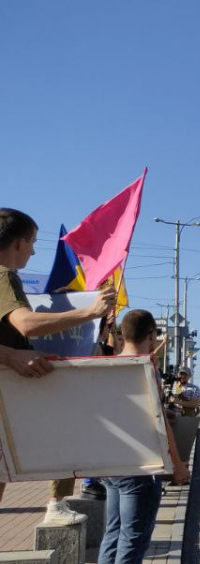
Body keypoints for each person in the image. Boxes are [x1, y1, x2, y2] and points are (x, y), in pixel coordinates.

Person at [0, 208, 115, 519]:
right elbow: (25, 324)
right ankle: (56, 506)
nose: (35, 250)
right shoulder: (4, 275)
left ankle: (57, 506)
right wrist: (87, 313)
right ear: (19, 243)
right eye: (33, 242)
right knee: (67, 428)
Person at [94, 309, 189, 564]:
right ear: (151, 335)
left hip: (111, 465)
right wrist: (177, 465)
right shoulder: (145, 369)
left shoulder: (105, 366)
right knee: (132, 542)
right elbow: (158, 426)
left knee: (113, 537)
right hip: (139, 467)